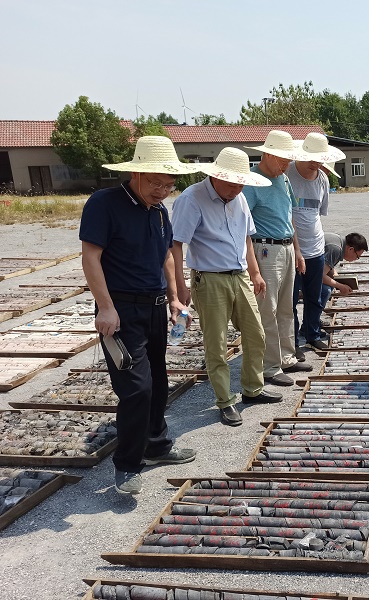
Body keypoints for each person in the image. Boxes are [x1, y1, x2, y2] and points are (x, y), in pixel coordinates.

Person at [79, 136, 200, 495]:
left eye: (169, 184)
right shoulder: (105, 203)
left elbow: (165, 256)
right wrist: (105, 307)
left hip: (154, 307)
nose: (162, 190)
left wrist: (174, 298)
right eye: (155, 183)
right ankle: (127, 465)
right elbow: (90, 256)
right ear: (136, 174)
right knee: (136, 389)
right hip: (121, 310)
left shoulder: (159, 212)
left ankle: (157, 445)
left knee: (158, 381)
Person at [171, 147, 283, 428]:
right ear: (216, 176)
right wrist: (180, 286)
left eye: (241, 184)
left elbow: (246, 238)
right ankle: (225, 400)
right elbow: (176, 244)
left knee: (256, 334)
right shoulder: (191, 199)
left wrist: (255, 272)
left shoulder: (240, 198)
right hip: (210, 278)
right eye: (232, 184)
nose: (236, 189)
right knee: (217, 343)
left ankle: (253, 388)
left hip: (240, 275)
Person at [243, 130, 314, 378]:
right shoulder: (252, 181)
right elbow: (243, 224)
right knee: (268, 309)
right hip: (265, 249)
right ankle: (270, 366)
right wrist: (252, 267)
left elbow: (289, 216)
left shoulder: (283, 179)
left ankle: (286, 357)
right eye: (283, 161)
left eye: (288, 161)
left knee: (286, 307)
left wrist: (298, 250)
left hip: (286, 248)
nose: (286, 166)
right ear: (268, 155)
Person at [286, 133, 344, 351]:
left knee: (314, 297)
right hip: (291, 249)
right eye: (312, 158)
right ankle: (292, 343)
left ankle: (312, 335)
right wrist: (296, 248)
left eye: (321, 159)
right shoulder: (287, 173)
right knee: (290, 300)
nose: (316, 163)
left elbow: (317, 214)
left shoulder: (322, 180)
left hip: (316, 249)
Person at [320, 232, 369, 308]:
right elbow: (320, 276)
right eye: (357, 256)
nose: (356, 259)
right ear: (350, 249)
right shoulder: (336, 249)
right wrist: (340, 286)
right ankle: (313, 315)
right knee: (325, 290)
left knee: (331, 284)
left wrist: (337, 278)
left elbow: (327, 265)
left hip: (307, 265)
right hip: (302, 270)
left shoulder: (339, 242)